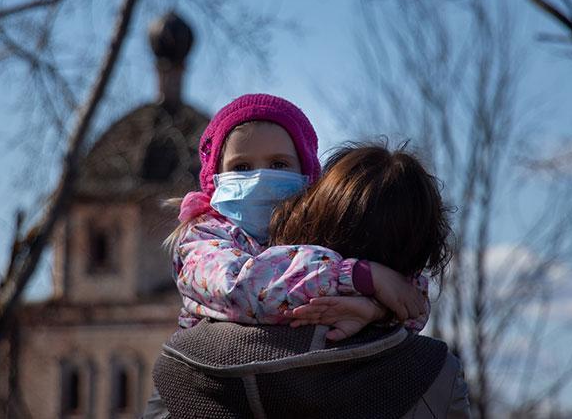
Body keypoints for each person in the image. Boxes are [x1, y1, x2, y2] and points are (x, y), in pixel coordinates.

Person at [149, 143, 470, 418]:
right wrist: (380, 306)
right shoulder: (436, 375)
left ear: (312, 215)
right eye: (242, 166)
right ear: (421, 254)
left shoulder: (182, 368)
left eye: (279, 165)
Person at [168, 94, 428, 337]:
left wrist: (374, 310)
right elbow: (239, 288)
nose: (259, 178)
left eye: (279, 164)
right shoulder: (201, 237)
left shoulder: (318, 232)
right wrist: (355, 277)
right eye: (242, 167)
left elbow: (411, 301)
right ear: (216, 178)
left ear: (307, 177)